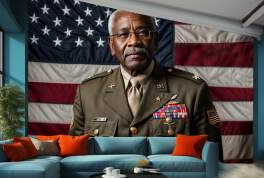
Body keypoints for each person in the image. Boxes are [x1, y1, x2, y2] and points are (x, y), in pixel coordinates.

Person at [69, 10, 220, 142]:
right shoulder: (87, 92)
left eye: (143, 32)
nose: (134, 41)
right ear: (111, 45)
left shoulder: (192, 90)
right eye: (123, 34)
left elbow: (211, 158)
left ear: (155, 41)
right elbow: (76, 155)